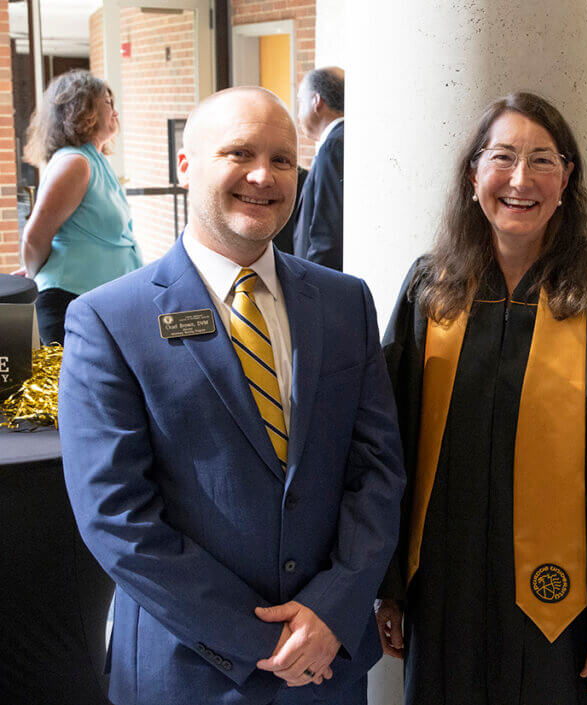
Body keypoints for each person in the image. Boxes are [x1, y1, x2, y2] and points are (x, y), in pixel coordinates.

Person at [58, 87, 405, 705]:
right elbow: (117, 516)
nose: (262, 176)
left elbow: (378, 471)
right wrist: (260, 641)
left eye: (281, 158)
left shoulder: (345, 302)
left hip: (327, 667)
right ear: (186, 165)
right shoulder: (108, 320)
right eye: (239, 153)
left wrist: (329, 612)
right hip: (190, 667)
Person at [376, 91, 587, 705]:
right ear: (473, 174)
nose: (521, 179)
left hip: (561, 609)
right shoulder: (430, 290)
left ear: (568, 179)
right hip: (443, 590)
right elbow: (390, 446)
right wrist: (390, 587)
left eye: (543, 160)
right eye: (503, 157)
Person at [20, 69, 143, 345]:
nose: (116, 111)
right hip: (68, 303)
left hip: (98, 302)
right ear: (82, 111)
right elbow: (35, 236)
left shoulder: (96, 161)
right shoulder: (75, 163)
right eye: (108, 103)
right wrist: (32, 275)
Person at [293, 67, 345, 270]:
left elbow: (327, 230)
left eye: (300, 101)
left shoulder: (334, 146)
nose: (297, 114)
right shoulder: (340, 140)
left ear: (316, 101)